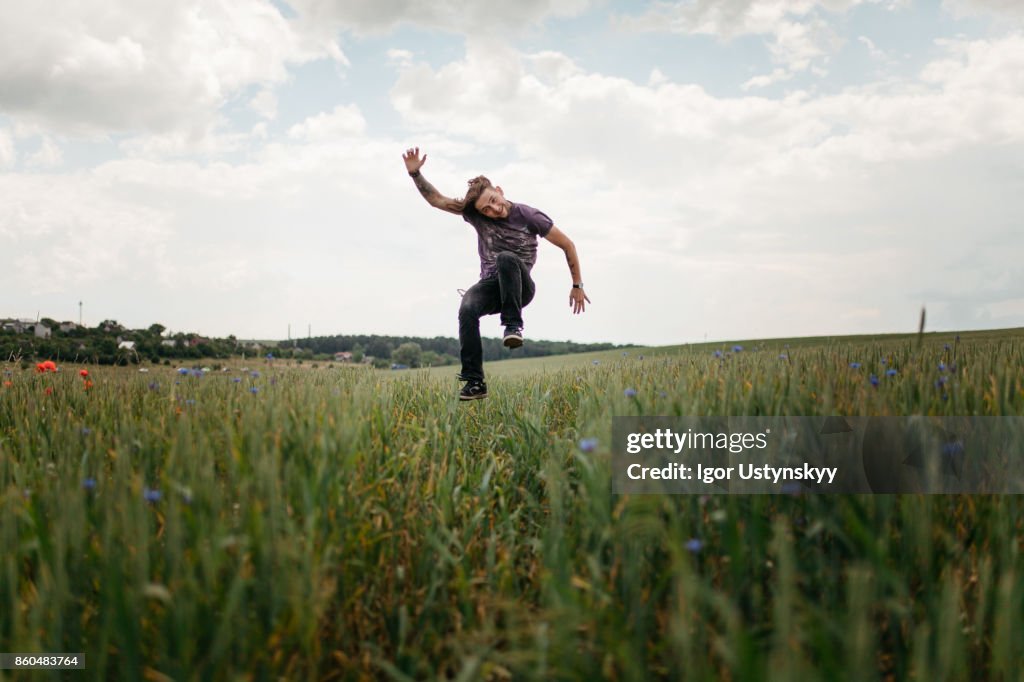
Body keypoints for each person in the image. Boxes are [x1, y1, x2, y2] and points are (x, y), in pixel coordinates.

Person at [402, 146, 590, 401]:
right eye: (486, 210)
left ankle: (513, 326)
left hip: (520, 287)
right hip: (491, 285)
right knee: (467, 306)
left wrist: (577, 285)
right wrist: (416, 175)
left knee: (506, 258)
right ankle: (474, 382)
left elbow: (567, 244)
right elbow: (437, 200)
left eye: (493, 201)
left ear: (499, 191)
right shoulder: (476, 214)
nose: (493, 210)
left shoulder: (529, 215)